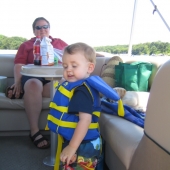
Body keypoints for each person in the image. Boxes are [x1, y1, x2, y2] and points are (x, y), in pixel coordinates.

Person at [6, 17, 68, 149]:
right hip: (32, 77)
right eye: (38, 27)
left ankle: (65, 129)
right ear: (34, 31)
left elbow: (75, 53)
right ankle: (34, 131)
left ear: (49, 29)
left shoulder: (58, 43)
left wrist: (94, 54)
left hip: (54, 78)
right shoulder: (27, 45)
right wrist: (17, 82)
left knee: (62, 84)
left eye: (45, 26)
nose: (42, 29)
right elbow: (19, 64)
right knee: (34, 85)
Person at [48, 42, 103, 170]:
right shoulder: (78, 87)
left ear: (89, 68)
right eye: (65, 66)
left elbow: (85, 120)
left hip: (83, 144)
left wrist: (72, 147)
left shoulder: (81, 91)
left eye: (74, 65)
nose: (68, 70)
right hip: (81, 140)